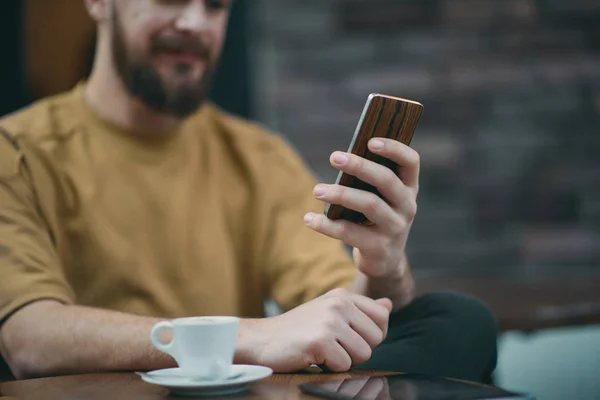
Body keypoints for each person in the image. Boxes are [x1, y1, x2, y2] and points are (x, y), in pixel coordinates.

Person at [0, 0, 497, 382]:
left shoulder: (255, 155)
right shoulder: (17, 149)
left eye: (215, 5)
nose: (196, 23)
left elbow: (336, 306)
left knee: (456, 319)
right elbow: (30, 338)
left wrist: (382, 268)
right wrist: (252, 337)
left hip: (236, 393)